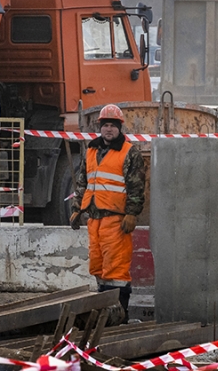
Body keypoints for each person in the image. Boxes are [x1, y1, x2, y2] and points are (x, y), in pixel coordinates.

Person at [69, 104, 146, 321]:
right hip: (94, 220)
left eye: (113, 125)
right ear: (100, 127)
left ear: (120, 128)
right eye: (105, 125)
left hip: (116, 220)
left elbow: (137, 186)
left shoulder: (129, 152)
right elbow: (83, 182)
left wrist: (132, 214)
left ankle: (119, 315)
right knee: (98, 267)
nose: (109, 129)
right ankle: (104, 316)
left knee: (116, 269)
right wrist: (77, 208)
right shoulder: (91, 150)